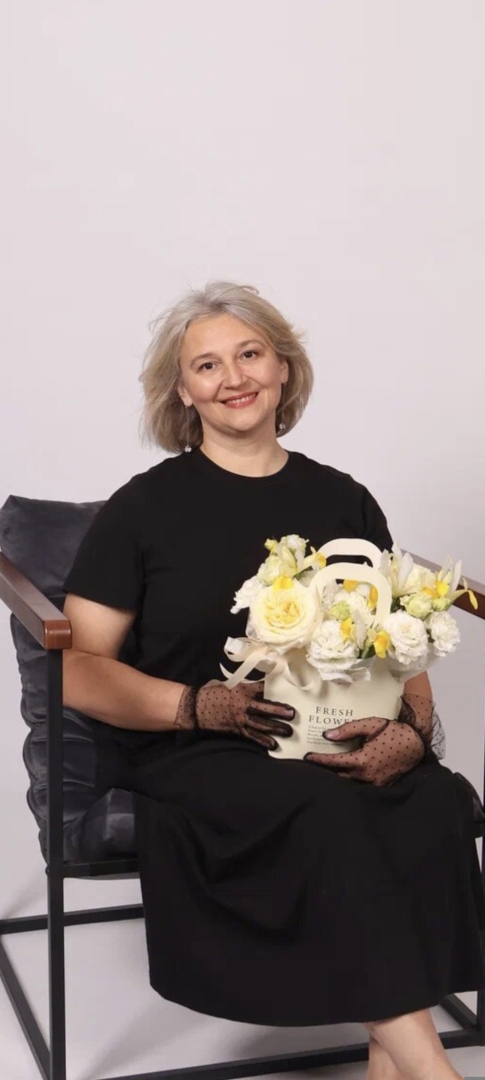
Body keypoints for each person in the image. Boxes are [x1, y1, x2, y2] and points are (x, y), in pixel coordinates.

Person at [62, 281, 484, 1080]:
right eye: (207, 365)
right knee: (327, 810)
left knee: (426, 798)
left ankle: (388, 1067)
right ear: (182, 392)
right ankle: (434, 1072)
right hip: (192, 745)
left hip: (336, 730)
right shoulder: (141, 510)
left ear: (282, 367)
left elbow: (395, 642)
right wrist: (198, 706)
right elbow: (78, 670)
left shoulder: (342, 499)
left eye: (249, 354)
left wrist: (409, 731)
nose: (233, 378)